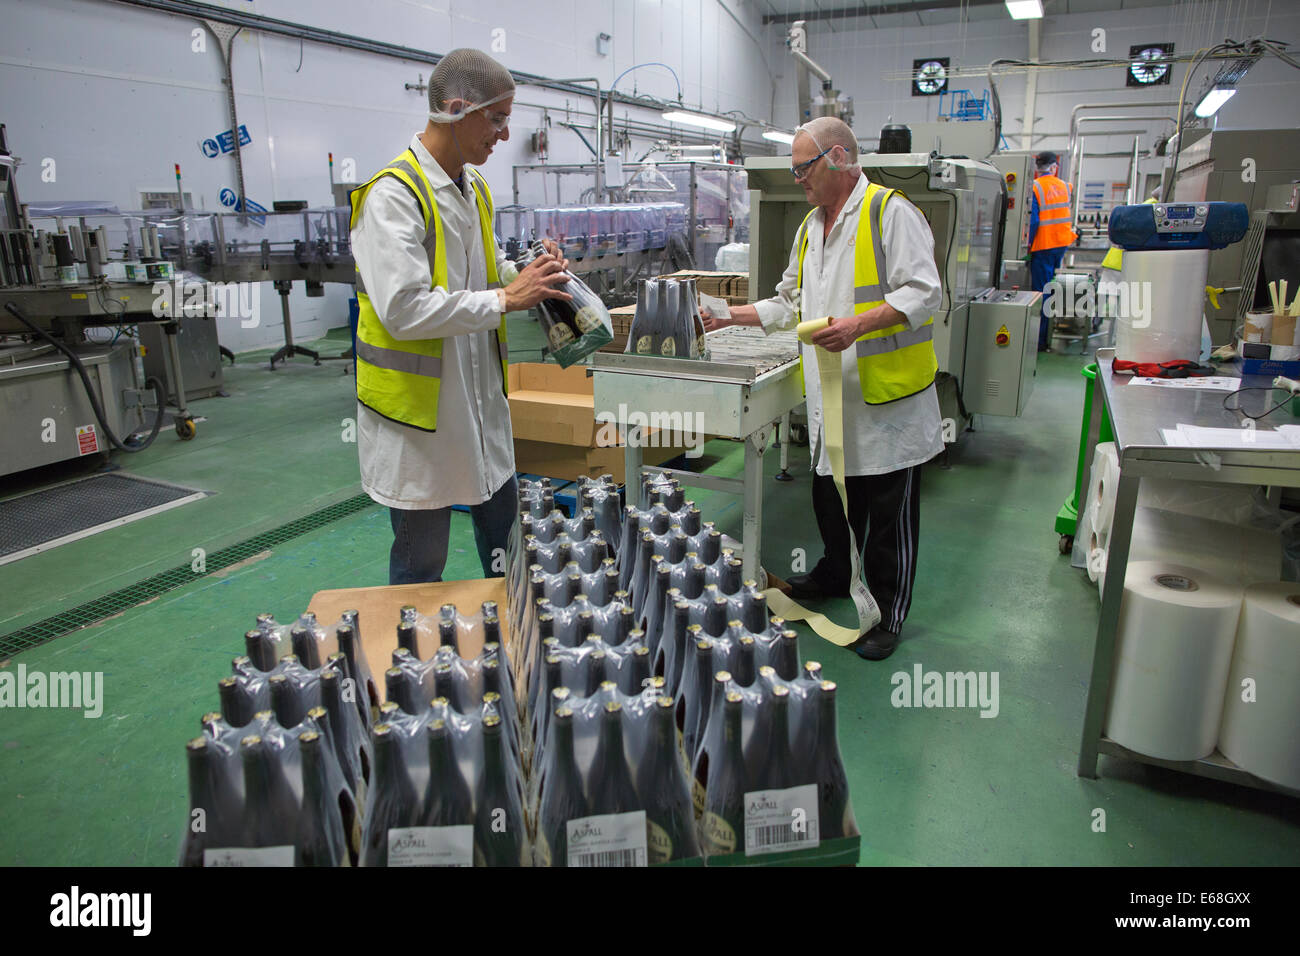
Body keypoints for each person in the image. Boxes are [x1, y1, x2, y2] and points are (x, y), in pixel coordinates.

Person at [700, 117, 943, 661]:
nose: (797, 180)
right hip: (831, 397)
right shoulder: (812, 226)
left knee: (886, 517)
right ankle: (835, 576)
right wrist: (727, 315)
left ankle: (887, 615)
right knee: (832, 502)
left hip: (886, 400)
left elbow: (926, 293)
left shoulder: (889, 211)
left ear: (837, 157)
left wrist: (857, 324)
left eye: (803, 168)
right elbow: (789, 302)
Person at [349, 48, 571, 585]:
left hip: (481, 410)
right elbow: (403, 309)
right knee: (422, 567)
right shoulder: (393, 195)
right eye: (496, 118)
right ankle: (413, 664)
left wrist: (531, 270)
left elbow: (488, 272)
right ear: (456, 108)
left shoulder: (475, 190)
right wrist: (505, 300)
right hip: (419, 423)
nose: (504, 132)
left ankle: (516, 649)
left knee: (507, 550)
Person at [1028, 151, 1079, 352]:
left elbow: (1033, 220)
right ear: (1054, 166)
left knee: (1041, 294)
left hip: (1043, 245)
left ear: (1036, 167)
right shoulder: (1065, 187)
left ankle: (1039, 341)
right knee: (1050, 289)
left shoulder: (1036, 187)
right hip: (1061, 244)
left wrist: (1027, 246)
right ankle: (1044, 337)